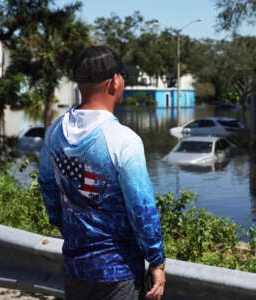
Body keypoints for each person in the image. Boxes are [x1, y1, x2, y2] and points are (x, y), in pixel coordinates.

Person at [38, 45, 166, 300]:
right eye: (124, 78)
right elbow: (142, 209)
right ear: (114, 82)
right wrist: (156, 260)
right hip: (118, 273)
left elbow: (47, 187)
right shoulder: (123, 139)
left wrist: (68, 230)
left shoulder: (54, 131)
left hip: (75, 267)